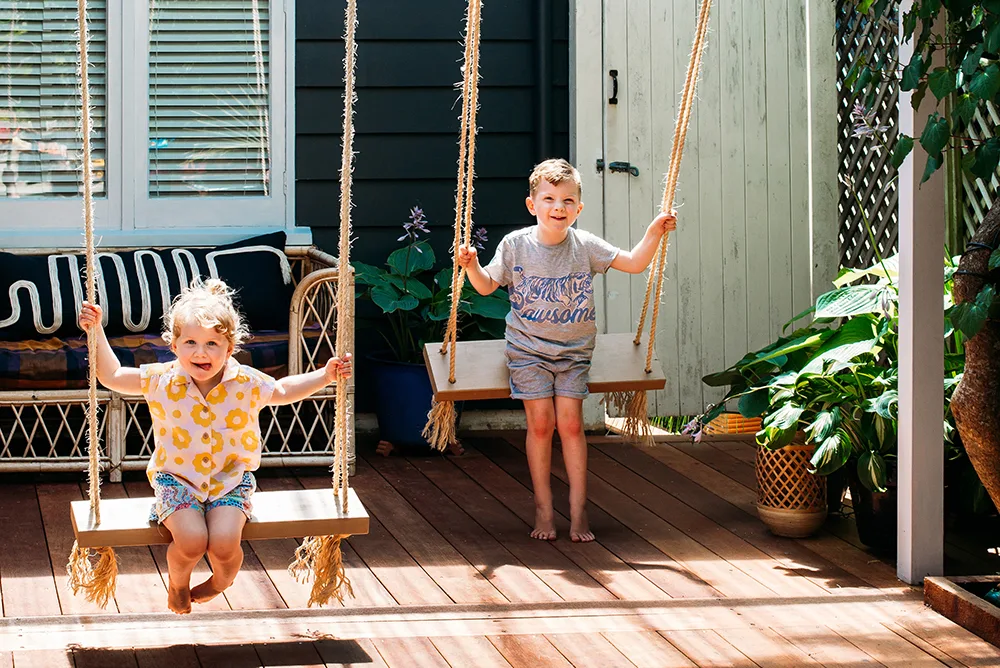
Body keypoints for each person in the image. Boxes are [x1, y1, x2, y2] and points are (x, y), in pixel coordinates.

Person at [78, 278, 352, 614]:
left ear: (230, 346)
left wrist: (323, 376)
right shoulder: (162, 380)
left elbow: (282, 390)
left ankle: (221, 582)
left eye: (212, 343)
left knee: (223, 545)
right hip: (175, 481)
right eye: (190, 342)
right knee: (192, 542)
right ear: (174, 345)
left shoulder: (245, 382)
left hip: (230, 482)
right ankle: (178, 583)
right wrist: (97, 330)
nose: (201, 352)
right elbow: (113, 376)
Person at [458, 158, 676, 542]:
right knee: (541, 425)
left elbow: (635, 262)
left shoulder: (585, 246)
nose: (558, 208)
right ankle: (544, 508)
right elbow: (487, 286)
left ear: (579, 208)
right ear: (532, 205)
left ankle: (578, 509)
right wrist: (471, 265)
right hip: (528, 351)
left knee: (572, 425)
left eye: (567, 201)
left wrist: (653, 231)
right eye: (549, 199)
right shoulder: (515, 245)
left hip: (574, 353)